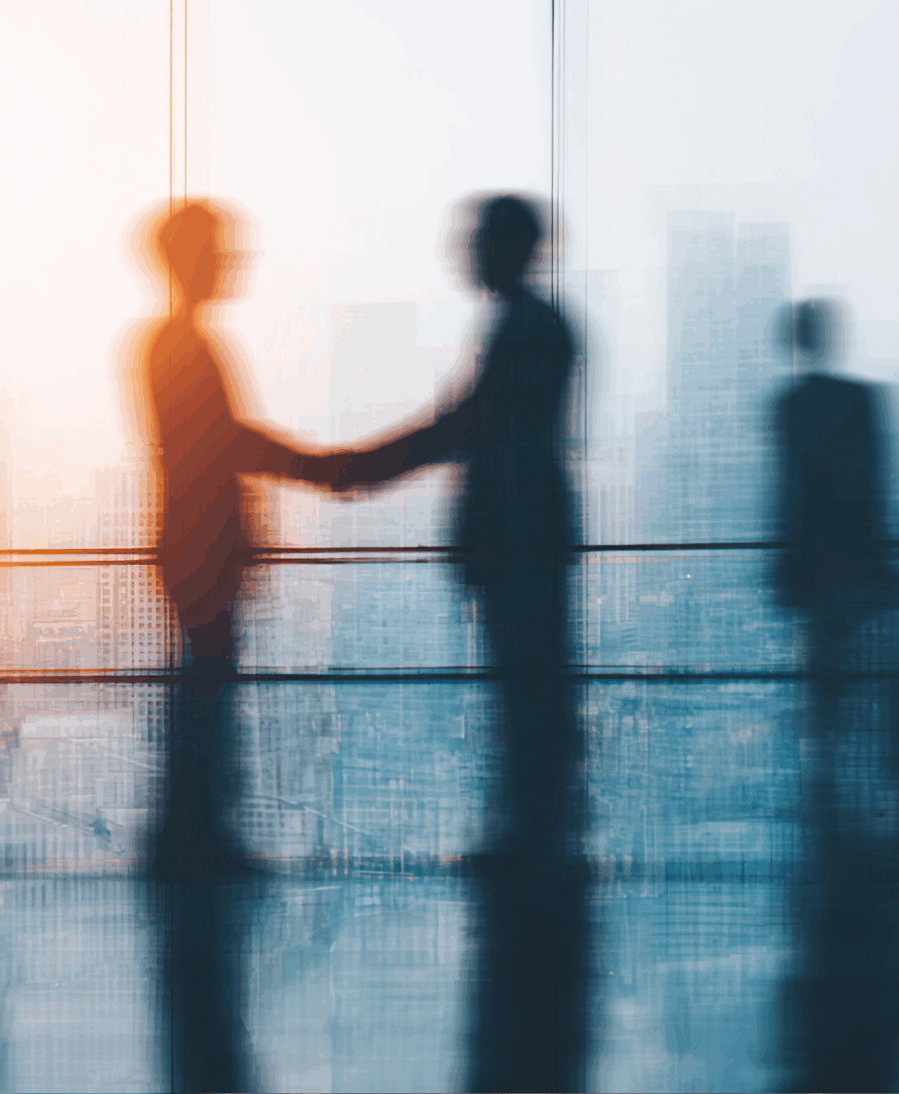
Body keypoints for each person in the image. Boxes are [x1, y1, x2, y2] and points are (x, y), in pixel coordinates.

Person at [316, 193, 585, 1092]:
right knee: (528, 695)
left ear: (507, 249)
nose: (464, 254)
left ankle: (536, 840)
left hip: (518, 543)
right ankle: (534, 837)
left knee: (528, 695)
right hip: (523, 540)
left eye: (476, 242)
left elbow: (466, 427)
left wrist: (362, 468)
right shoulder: (535, 326)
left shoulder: (522, 331)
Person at [131, 199, 338, 1093]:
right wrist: (325, 468)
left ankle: (191, 831)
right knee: (207, 685)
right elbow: (226, 444)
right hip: (205, 544)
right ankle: (193, 834)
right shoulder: (184, 347)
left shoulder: (171, 344)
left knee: (204, 683)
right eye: (222, 249)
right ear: (193, 259)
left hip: (196, 542)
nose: (233, 261)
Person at [768, 299, 899, 1092]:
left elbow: (790, 496)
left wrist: (788, 570)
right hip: (856, 570)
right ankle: (861, 822)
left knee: (829, 702)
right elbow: (872, 486)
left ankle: (838, 821)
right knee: (858, 698)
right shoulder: (861, 402)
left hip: (824, 573)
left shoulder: (790, 405)